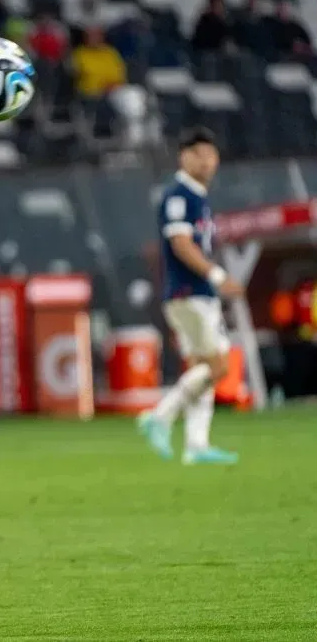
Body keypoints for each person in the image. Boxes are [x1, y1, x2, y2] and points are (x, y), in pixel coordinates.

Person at [137, 126, 243, 465]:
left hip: (194, 294)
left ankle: (196, 444)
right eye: (199, 154)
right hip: (189, 293)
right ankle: (160, 416)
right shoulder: (179, 196)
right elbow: (181, 244)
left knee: (202, 368)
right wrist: (217, 276)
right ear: (183, 157)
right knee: (219, 365)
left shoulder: (197, 196)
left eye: (211, 154)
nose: (207, 161)